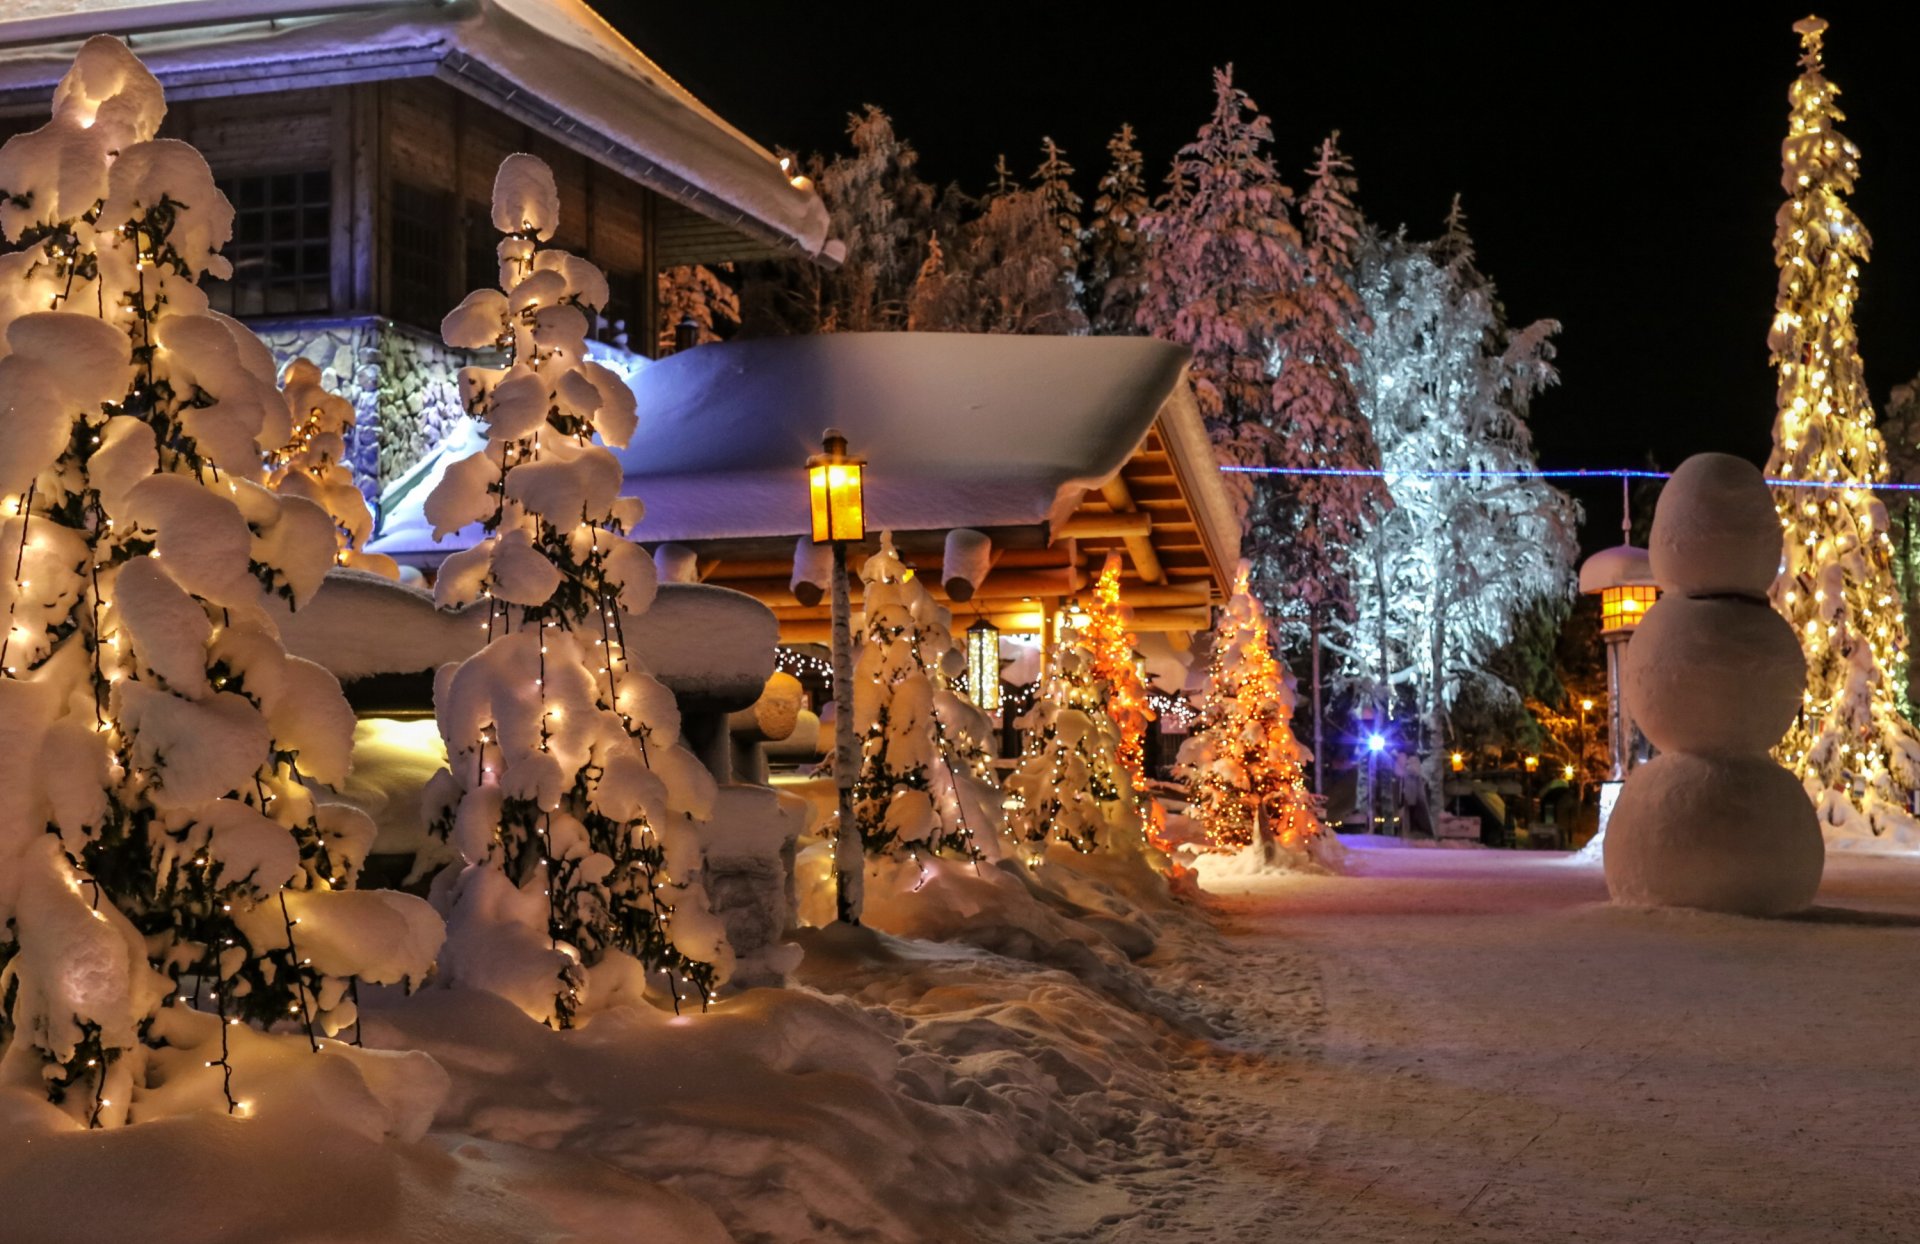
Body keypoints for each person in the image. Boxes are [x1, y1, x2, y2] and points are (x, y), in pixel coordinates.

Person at [1396, 750, 1435, 838]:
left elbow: (1414, 772)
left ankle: (1415, 829)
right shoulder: (1409, 760)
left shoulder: (1413, 761)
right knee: (1410, 811)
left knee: (1414, 811)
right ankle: (1412, 829)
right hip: (1410, 794)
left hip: (1413, 793)